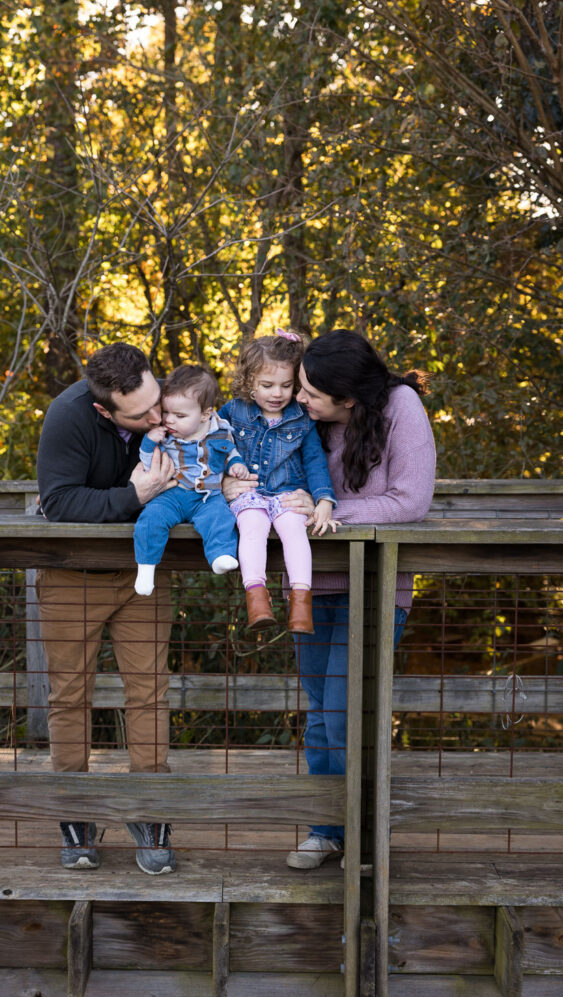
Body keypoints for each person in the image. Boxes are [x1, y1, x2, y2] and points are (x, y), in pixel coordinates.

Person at [223, 328, 436, 869]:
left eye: (311, 393)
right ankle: (327, 828)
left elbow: (410, 501)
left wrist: (327, 511)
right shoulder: (300, 421)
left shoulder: (400, 407)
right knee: (319, 712)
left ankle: (365, 833)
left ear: (349, 399)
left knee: (346, 713)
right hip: (314, 583)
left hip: (375, 584)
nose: (299, 398)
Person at [36, 342, 178, 876]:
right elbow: (61, 502)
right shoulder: (68, 417)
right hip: (73, 576)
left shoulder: (165, 406)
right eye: (140, 415)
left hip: (144, 572)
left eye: (156, 402)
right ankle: (75, 819)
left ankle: (152, 813)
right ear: (104, 410)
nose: (156, 416)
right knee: (70, 694)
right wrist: (134, 497)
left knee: (150, 692)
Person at [218, 330, 338, 635]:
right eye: (267, 385)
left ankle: (300, 604)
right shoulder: (233, 412)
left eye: (286, 386)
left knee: (294, 531)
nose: (277, 393)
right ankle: (257, 599)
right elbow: (210, 446)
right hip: (250, 493)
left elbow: (314, 462)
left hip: (288, 494)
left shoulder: (302, 418)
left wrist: (324, 500)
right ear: (249, 383)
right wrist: (220, 480)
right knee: (252, 528)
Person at [133, 365, 249, 597]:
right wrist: (148, 442)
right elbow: (146, 461)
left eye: (180, 416)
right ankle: (146, 568)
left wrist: (236, 464)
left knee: (221, 518)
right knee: (150, 519)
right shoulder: (163, 435)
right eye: (166, 413)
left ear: (205, 414)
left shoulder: (220, 430)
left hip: (207, 497)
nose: (169, 420)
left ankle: (220, 556)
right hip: (172, 495)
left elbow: (230, 452)